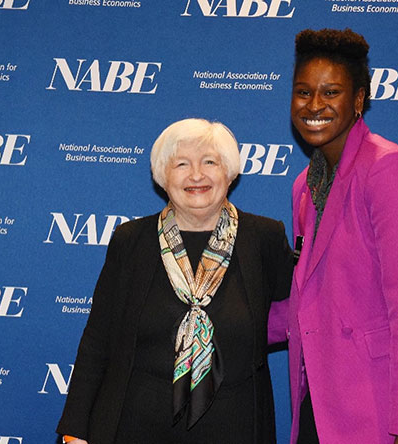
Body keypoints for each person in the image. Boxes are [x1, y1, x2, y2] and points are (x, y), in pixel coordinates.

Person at [269, 28, 398, 444]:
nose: (314, 105)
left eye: (331, 92)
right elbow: (312, 300)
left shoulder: (388, 170)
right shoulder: (304, 186)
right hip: (335, 410)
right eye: (303, 92)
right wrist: (226, 324)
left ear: (359, 101)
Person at [57, 118, 293, 444]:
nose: (196, 175)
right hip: (136, 423)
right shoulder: (131, 241)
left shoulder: (265, 239)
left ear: (229, 171)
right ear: (163, 177)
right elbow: (98, 339)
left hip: (236, 424)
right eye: (182, 164)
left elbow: (299, 320)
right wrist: (75, 429)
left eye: (209, 162)